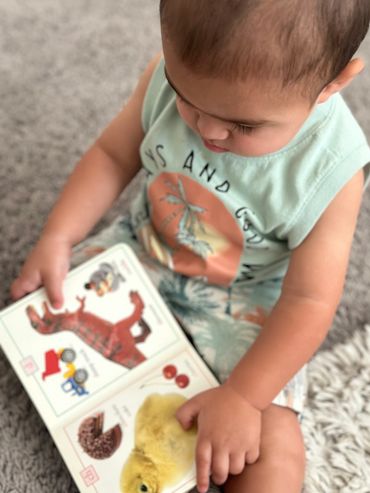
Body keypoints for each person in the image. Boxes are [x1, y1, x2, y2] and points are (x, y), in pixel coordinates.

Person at [11, 1, 370, 492]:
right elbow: (112, 154)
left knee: (273, 451)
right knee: (32, 315)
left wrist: (243, 397)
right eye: (187, 99)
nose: (207, 130)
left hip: (249, 307)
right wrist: (59, 235)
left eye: (243, 126)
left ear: (334, 82)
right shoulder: (169, 75)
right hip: (141, 250)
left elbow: (310, 300)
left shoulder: (333, 169)